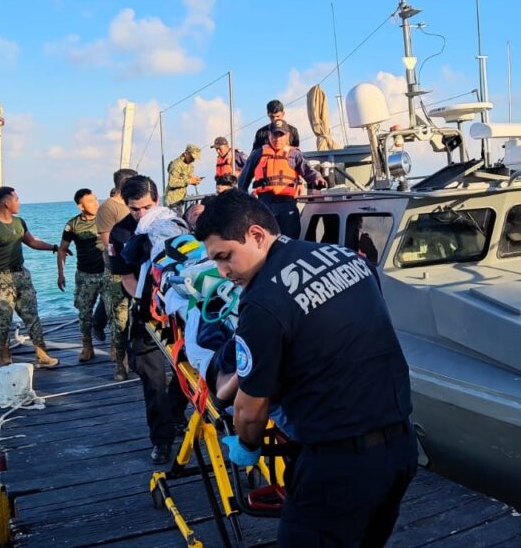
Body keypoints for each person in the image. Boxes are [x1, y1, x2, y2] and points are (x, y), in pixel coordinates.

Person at [194, 191, 416, 546]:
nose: (223, 271)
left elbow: (250, 413)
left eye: (225, 257)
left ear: (255, 235)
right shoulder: (346, 257)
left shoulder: (262, 303)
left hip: (338, 467)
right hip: (401, 448)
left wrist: (247, 446)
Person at [109, 175, 188, 464]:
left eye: (146, 207)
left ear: (156, 201)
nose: (141, 214)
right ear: (126, 206)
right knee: (152, 380)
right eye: (134, 209)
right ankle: (162, 440)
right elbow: (127, 279)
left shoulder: (174, 223)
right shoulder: (121, 234)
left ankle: (176, 412)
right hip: (147, 312)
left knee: (190, 367)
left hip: (178, 309)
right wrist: (150, 300)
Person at [0, 186, 60, 368]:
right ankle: (5, 354)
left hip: (21, 275)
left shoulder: (19, 222)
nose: (18, 202)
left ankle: (42, 354)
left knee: (32, 315)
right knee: (4, 318)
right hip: (0, 278)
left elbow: (32, 242)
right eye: (16, 199)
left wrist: (54, 247)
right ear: (6, 203)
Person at [238, 119, 327, 239]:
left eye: (281, 135)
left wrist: (317, 178)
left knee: (289, 241)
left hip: (287, 204)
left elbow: (307, 170)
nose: (277, 139)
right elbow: (243, 180)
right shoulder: (258, 154)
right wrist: (244, 202)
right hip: (264, 204)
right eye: (274, 134)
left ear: (288, 136)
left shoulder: (294, 154)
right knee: (264, 241)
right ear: (269, 135)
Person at [57, 188, 111, 363]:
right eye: (90, 201)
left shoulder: (105, 217)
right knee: (84, 312)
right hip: (85, 275)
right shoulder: (73, 225)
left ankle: (117, 349)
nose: (96, 203)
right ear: (81, 206)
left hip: (107, 272)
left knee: (115, 312)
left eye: (96, 199)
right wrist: (61, 274)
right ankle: (87, 347)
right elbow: (62, 249)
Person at [97, 168, 137, 381]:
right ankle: (121, 364)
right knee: (120, 321)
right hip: (117, 273)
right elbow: (108, 243)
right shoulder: (107, 209)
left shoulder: (136, 207)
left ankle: (136, 361)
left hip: (138, 271)